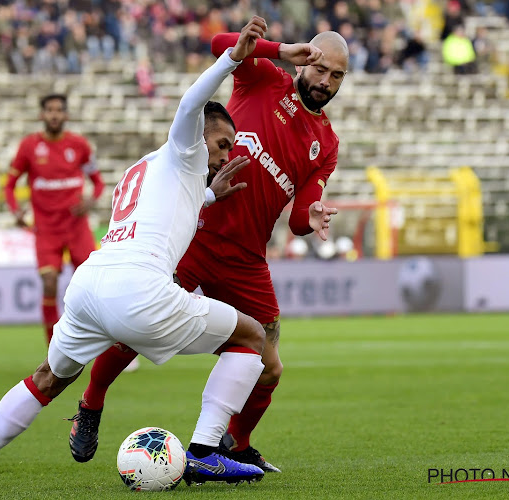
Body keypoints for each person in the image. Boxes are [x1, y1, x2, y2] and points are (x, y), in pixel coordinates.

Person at [0, 17, 280, 489]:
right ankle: (205, 451)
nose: (225, 156)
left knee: (46, 378)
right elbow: (190, 105)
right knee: (252, 339)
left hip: (89, 285)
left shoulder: (143, 169)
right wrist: (232, 58)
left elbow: (160, 215)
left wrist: (208, 196)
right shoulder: (186, 146)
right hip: (138, 287)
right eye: (223, 144)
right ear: (200, 134)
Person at [74, 23, 345, 473]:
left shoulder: (326, 144)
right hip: (195, 231)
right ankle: (91, 403)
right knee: (136, 327)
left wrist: (311, 216)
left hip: (247, 257)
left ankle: (236, 446)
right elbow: (220, 45)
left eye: (337, 76)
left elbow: (298, 218)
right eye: (321, 68)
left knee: (270, 364)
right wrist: (281, 50)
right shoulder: (264, 77)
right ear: (306, 60)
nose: (326, 82)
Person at [4, 94, 105, 344]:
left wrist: (90, 201)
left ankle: (107, 345)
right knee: (49, 284)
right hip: (46, 229)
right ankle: (54, 350)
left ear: (66, 115)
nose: (54, 114)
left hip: (76, 227)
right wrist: (16, 211)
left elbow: (99, 183)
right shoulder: (29, 147)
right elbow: (9, 185)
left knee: (92, 287)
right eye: (49, 110)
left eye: (59, 110)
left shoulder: (79, 145)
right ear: (42, 114)